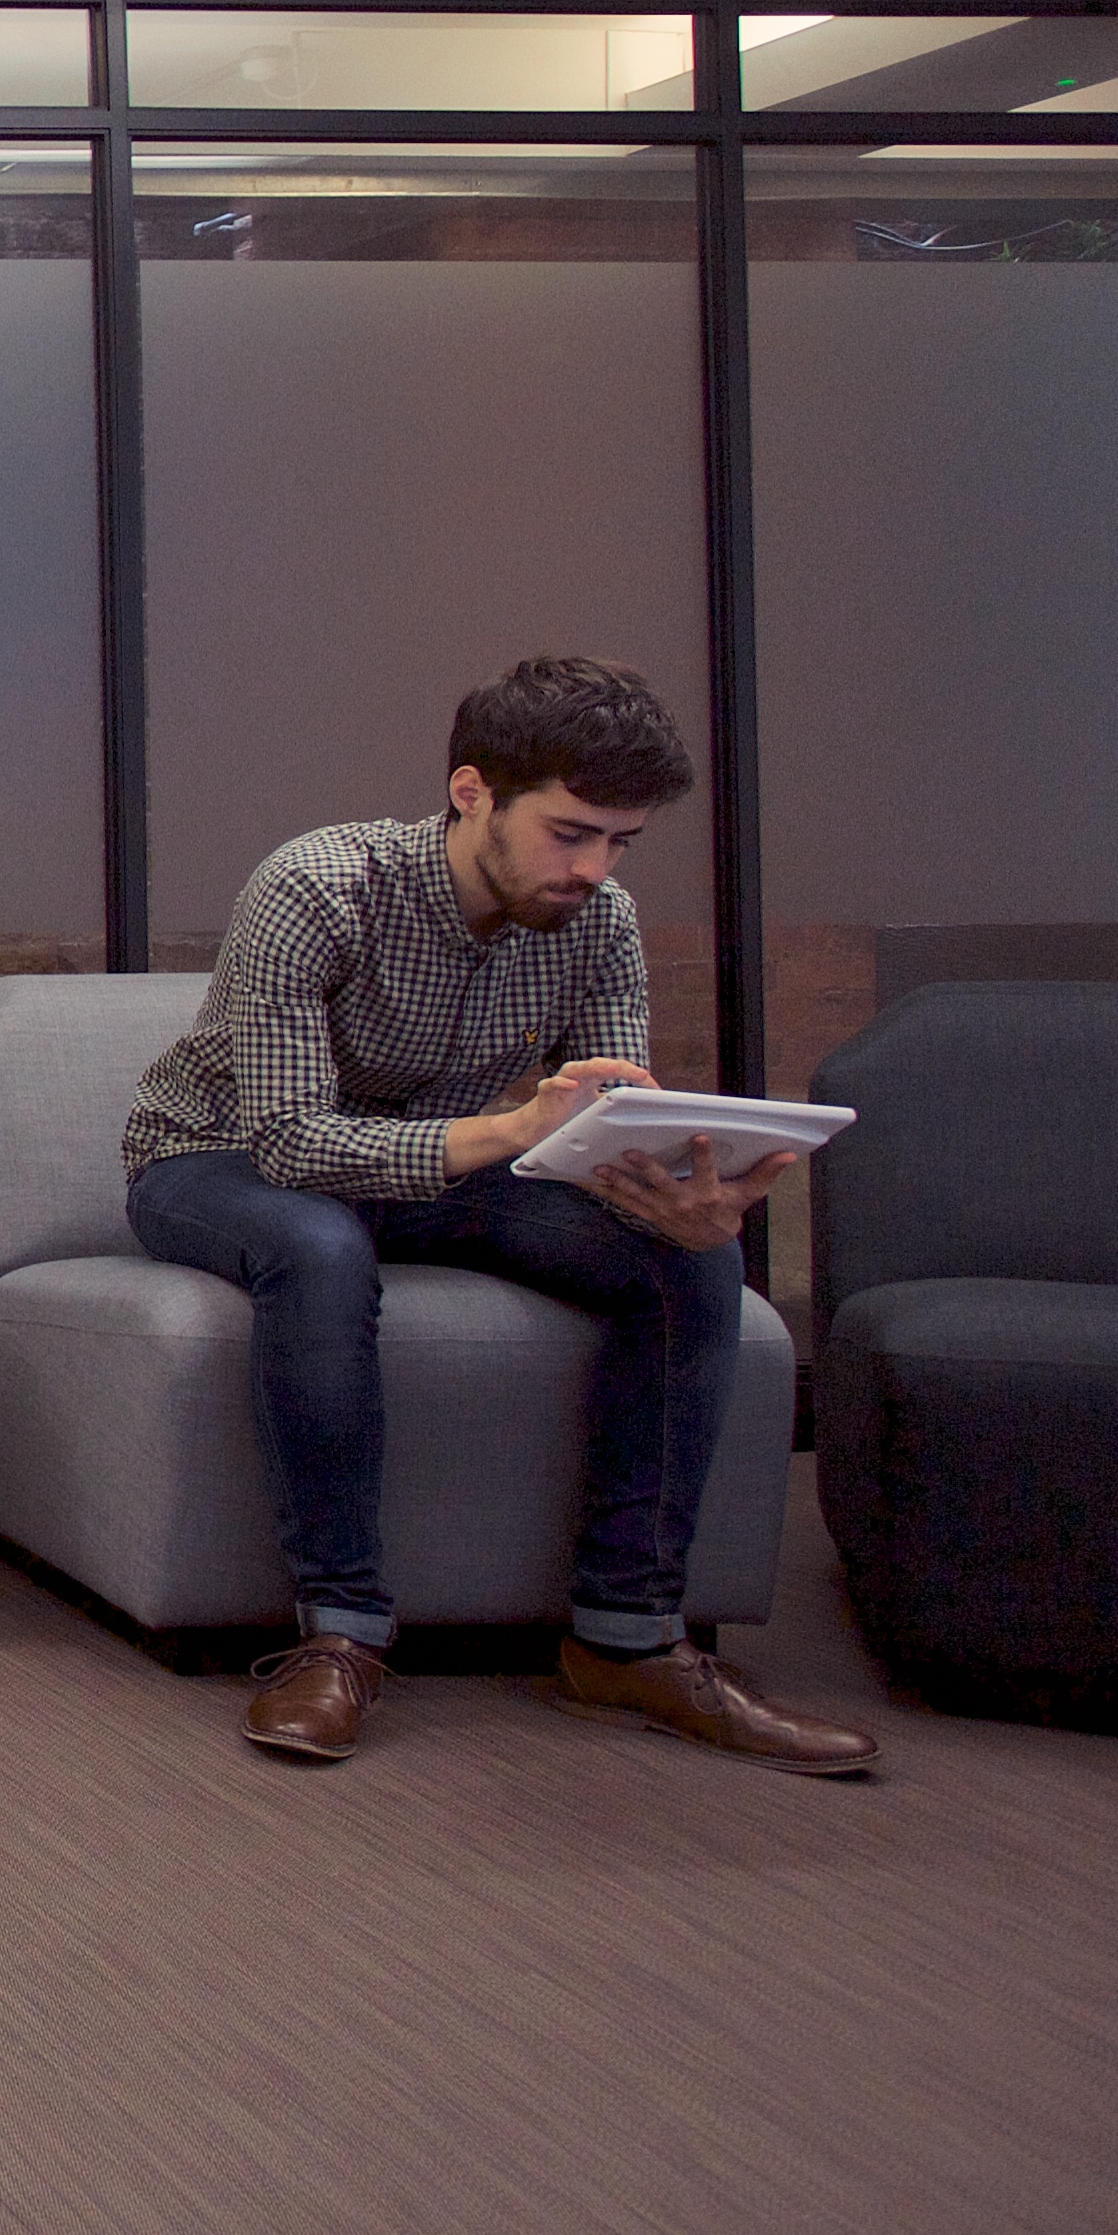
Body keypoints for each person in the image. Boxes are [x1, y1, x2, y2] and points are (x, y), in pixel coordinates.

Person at [120, 654, 877, 1776]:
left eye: (618, 841)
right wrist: (515, 1131)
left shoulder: (599, 922)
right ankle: (339, 1633)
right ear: (472, 790)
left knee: (685, 1269)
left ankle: (625, 1638)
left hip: (457, 1168)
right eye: (568, 832)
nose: (592, 867)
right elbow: (292, 1144)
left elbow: (604, 1119)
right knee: (320, 1245)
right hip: (220, 1157)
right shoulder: (317, 884)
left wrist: (682, 1201)